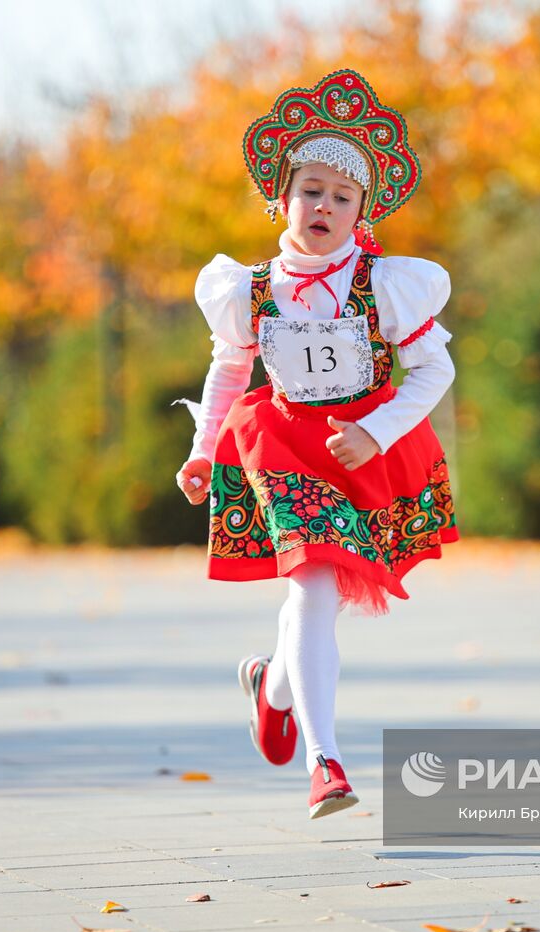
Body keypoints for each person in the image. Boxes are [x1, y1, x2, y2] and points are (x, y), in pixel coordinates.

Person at [174, 69, 459, 819]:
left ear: (363, 211)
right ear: (281, 196)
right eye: (310, 189)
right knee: (311, 587)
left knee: (318, 604)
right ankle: (324, 760)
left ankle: (272, 687)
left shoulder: (387, 284)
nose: (324, 205)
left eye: (342, 195)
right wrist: (203, 448)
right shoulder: (249, 289)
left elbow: (435, 370)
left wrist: (376, 430)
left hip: (363, 444)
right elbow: (231, 367)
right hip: (284, 445)